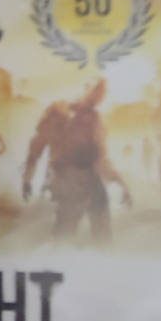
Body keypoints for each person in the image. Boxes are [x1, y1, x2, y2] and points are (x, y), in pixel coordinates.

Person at [22, 79, 131, 241]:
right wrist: (27, 178)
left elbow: (102, 158)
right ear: (86, 87)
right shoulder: (58, 112)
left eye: (102, 92)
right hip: (68, 183)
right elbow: (36, 146)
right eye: (96, 89)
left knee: (102, 236)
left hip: (93, 181)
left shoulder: (96, 120)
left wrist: (121, 184)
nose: (98, 95)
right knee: (63, 235)